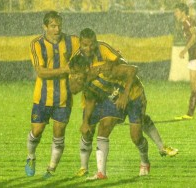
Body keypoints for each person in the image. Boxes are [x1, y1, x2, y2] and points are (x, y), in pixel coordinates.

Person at [69, 28, 178, 180]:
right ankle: (101, 173)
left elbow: (132, 70)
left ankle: (145, 161)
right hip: (116, 98)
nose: (75, 78)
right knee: (104, 127)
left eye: (76, 75)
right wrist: (85, 122)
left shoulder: (106, 69)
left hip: (133, 94)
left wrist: (125, 95)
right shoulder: (87, 79)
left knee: (136, 137)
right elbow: (89, 99)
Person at [24, 11, 80, 179]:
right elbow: (41, 72)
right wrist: (64, 70)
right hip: (42, 97)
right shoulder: (37, 44)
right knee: (37, 131)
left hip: (64, 97)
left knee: (59, 133)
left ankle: (51, 169)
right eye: (53, 26)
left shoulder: (72, 41)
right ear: (45, 27)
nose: (57, 29)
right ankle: (31, 157)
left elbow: (88, 45)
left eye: (59, 26)